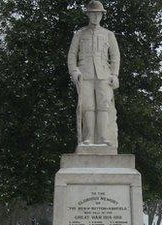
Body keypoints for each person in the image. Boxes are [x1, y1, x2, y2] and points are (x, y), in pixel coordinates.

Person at [67, 1, 120, 146]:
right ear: (88, 14)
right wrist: (74, 72)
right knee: (88, 106)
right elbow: (71, 56)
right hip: (85, 74)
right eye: (93, 13)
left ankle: (103, 138)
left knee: (103, 106)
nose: (95, 16)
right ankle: (89, 138)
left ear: (102, 15)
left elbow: (115, 56)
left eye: (98, 14)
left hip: (104, 74)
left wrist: (114, 74)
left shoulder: (108, 34)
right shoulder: (79, 34)